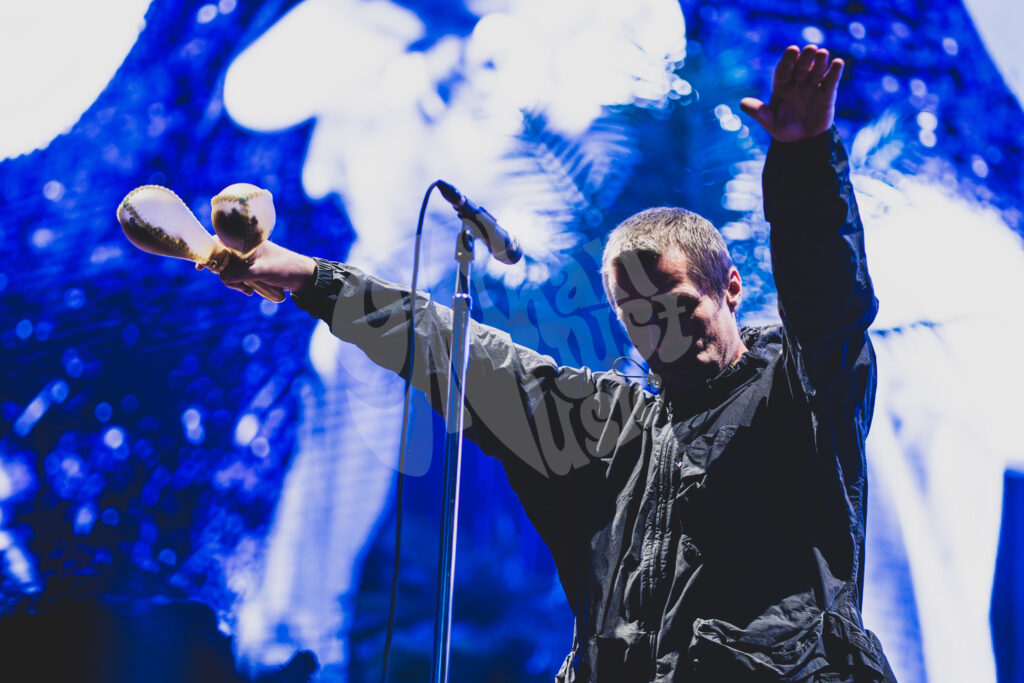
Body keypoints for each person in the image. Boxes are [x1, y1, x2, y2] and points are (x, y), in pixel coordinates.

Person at [211, 45, 897, 682]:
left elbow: (829, 303)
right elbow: (458, 352)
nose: (659, 330)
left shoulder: (801, 390)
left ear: (731, 287)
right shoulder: (607, 428)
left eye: (677, 304)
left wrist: (805, 162)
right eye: (638, 316)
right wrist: (311, 278)